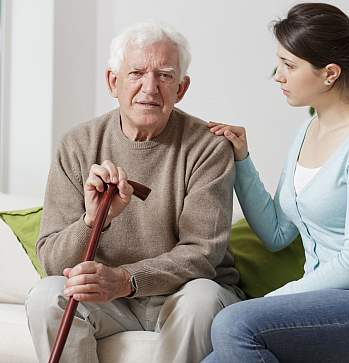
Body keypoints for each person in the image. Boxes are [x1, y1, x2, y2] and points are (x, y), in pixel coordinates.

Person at [203, 3, 349, 363]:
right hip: (333, 300)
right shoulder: (308, 130)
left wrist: (274, 299)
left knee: (235, 324)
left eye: (289, 65)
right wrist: (241, 160)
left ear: (329, 73)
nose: (278, 75)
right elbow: (276, 232)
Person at [25, 21, 244, 363]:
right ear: (113, 81)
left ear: (181, 89)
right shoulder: (77, 145)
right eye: (137, 73)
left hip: (181, 297)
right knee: (46, 295)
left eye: (165, 75)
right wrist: (93, 219)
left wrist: (126, 279)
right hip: (109, 303)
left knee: (202, 297)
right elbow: (53, 259)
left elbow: (202, 254)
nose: (150, 87)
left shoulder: (208, 147)